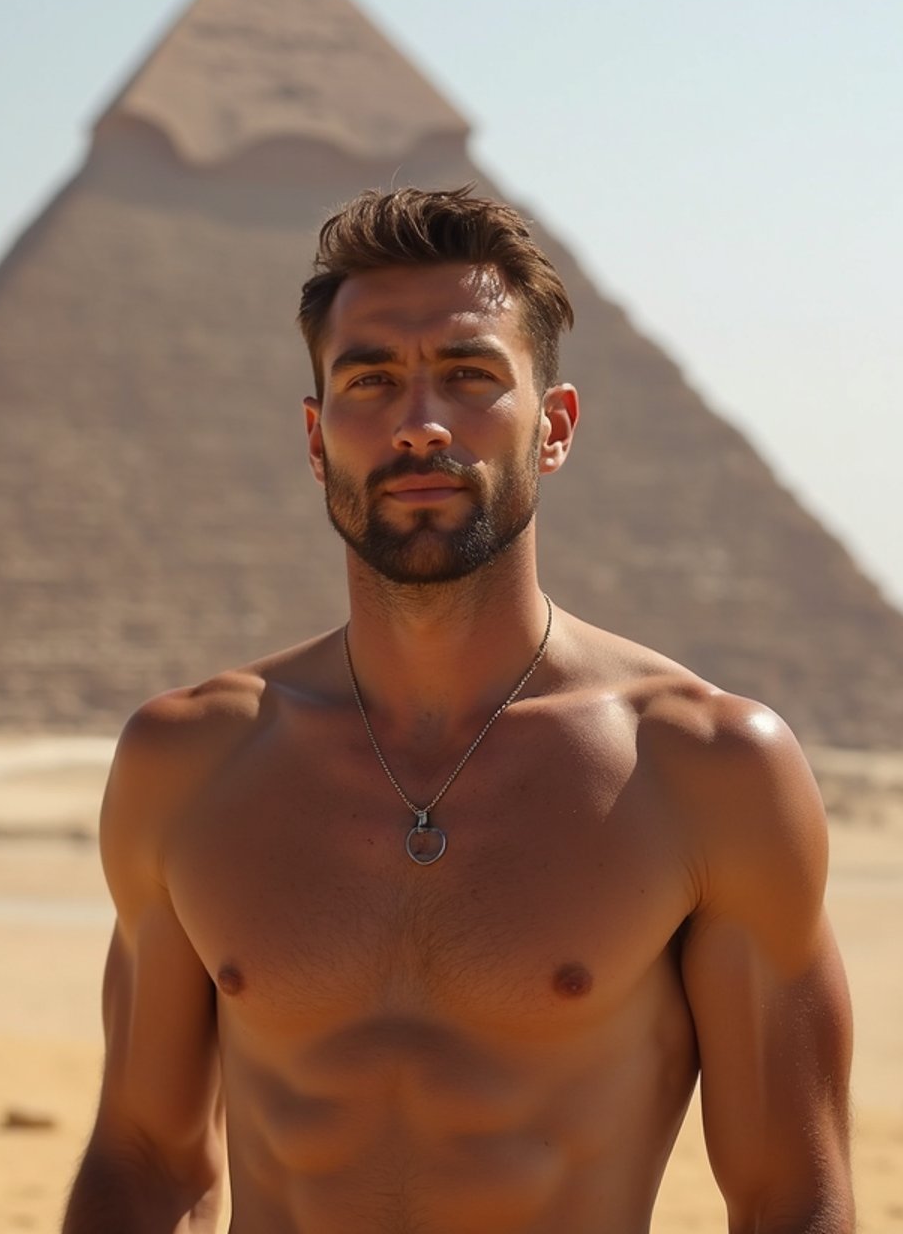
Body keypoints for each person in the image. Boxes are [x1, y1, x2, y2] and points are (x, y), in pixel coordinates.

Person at [63, 185, 853, 1234]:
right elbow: (144, 1164)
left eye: (471, 376)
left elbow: (789, 1197)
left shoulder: (707, 771)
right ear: (315, 437)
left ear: (555, 426)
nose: (419, 424)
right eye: (370, 379)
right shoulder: (188, 762)